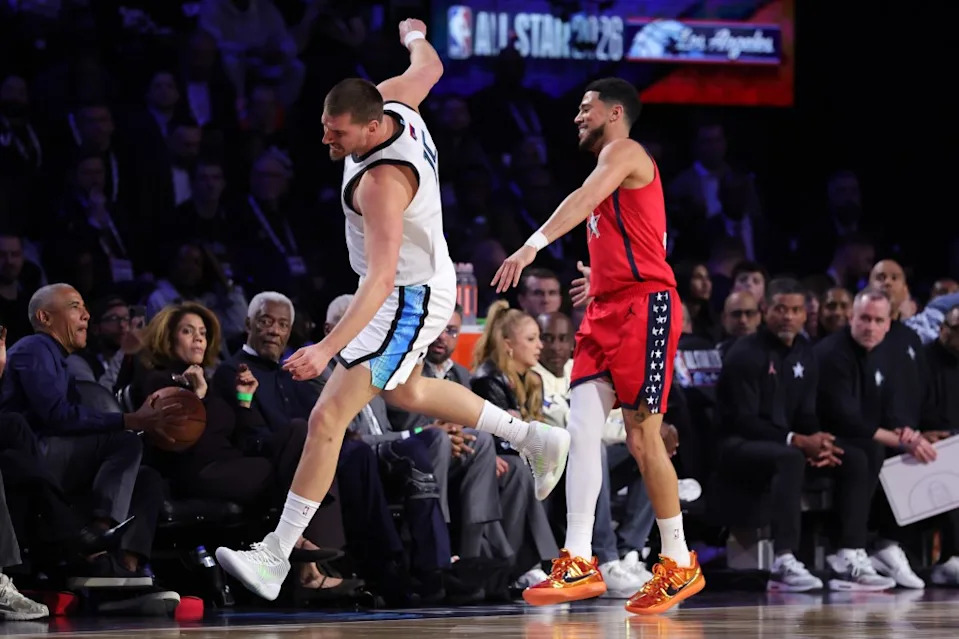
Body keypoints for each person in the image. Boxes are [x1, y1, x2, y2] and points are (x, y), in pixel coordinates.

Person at [214, 19, 570, 601]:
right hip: (411, 285)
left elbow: (378, 282)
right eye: (325, 129)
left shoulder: (382, 181)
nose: (327, 142)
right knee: (407, 393)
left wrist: (326, 348)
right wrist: (414, 36)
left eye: (338, 134)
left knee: (327, 418)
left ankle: (275, 558)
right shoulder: (394, 100)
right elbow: (431, 67)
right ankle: (533, 439)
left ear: (373, 127)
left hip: (407, 298)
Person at [492, 77, 704, 614]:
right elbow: (628, 234)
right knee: (582, 429)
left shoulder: (625, 151)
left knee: (641, 438)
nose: (576, 117)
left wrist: (530, 246)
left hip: (646, 307)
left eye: (584, 109)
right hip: (607, 310)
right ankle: (579, 559)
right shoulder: (609, 170)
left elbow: (585, 197)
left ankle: (678, 562)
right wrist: (602, 281)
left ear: (614, 113)